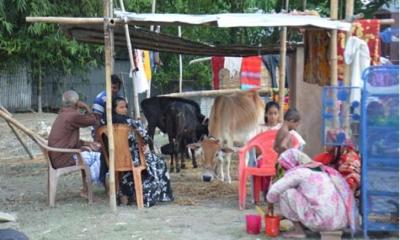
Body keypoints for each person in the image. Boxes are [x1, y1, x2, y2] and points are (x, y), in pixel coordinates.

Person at [100, 96, 173, 207]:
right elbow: (146, 137)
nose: (125, 110)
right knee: (159, 161)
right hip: (133, 160)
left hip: (113, 161)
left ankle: (128, 194)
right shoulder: (130, 122)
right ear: (113, 109)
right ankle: (155, 195)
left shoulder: (104, 125)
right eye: (121, 107)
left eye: (126, 107)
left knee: (150, 161)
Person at [267, 148, 359, 236]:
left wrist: (270, 203)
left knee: (286, 192)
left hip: (323, 222)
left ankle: (299, 231)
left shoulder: (299, 172)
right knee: (307, 193)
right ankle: (308, 224)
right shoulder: (323, 170)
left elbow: (275, 190)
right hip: (340, 222)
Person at [48, 90, 102, 197]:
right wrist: (86, 107)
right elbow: (94, 120)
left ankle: (86, 189)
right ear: (77, 103)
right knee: (100, 158)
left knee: (89, 151)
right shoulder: (73, 115)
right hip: (65, 159)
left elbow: (67, 139)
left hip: (57, 157)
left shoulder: (63, 114)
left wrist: (86, 143)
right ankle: (89, 186)